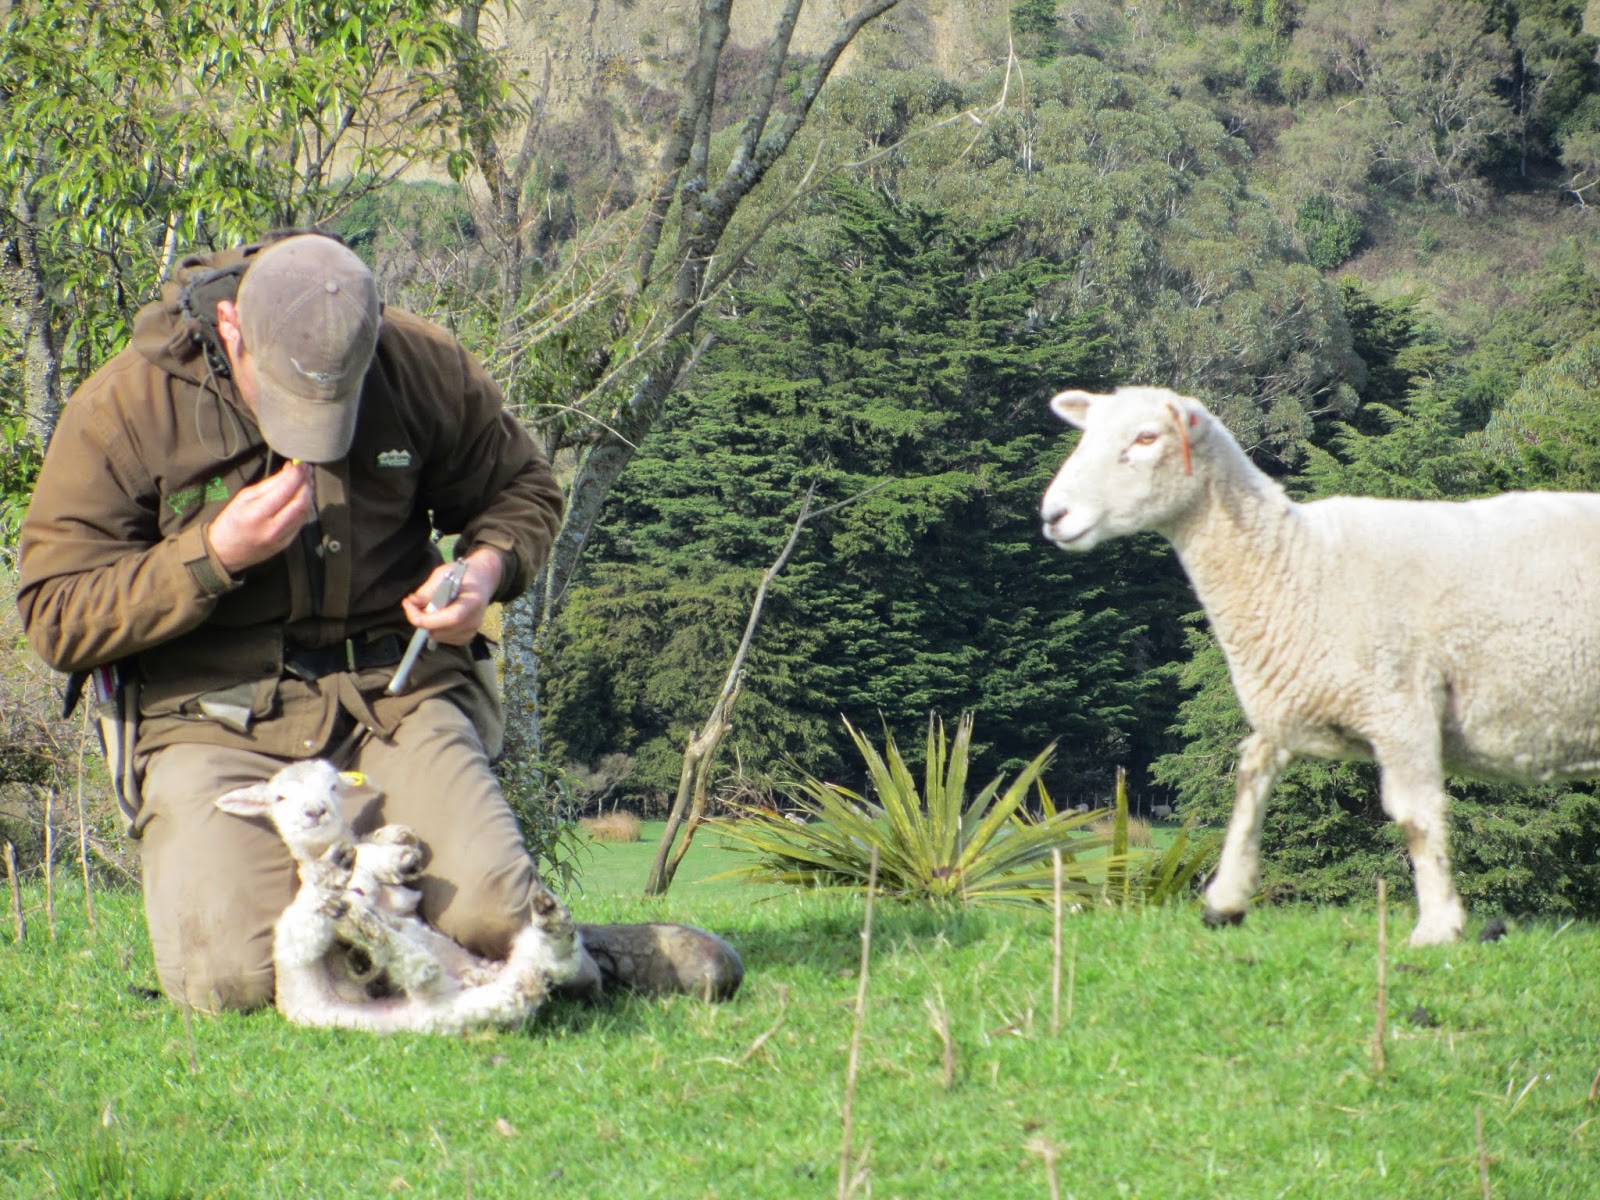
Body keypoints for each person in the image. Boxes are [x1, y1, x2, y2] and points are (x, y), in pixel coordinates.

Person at [17, 231, 742, 1013]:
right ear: (232, 330)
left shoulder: (419, 362)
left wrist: (487, 567)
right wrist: (209, 555)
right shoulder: (127, 405)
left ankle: (560, 947)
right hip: (208, 720)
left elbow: (523, 487)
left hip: (390, 695)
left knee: (495, 911)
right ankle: (481, 959)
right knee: (226, 982)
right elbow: (56, 614)